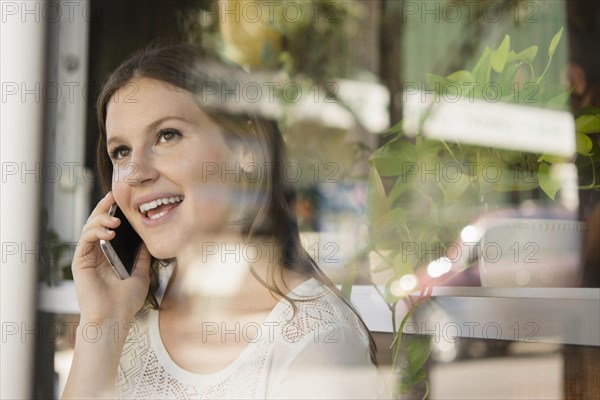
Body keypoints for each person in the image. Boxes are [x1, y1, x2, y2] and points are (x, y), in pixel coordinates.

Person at [62, 43, 379, 399]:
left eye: (167, 135)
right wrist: (103, 323)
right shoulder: (123, 318)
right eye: (121, 152)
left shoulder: (314, 340)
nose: (136, 173)